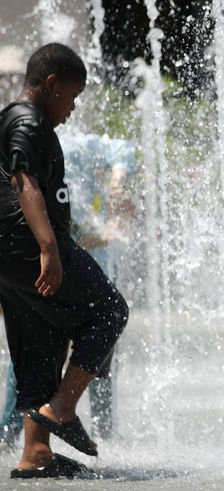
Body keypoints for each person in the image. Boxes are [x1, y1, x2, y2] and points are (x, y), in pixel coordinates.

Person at [0, 43, 128, 478]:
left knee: (42, 339)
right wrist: (50, 250)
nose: (73, 108)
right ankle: (62, 409)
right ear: (51, 84)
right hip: (34, 249)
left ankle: (35, 454)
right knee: (111, 311)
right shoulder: (26, 120)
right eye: (72, 97)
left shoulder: (18, 121)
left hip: (11, 257)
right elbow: (24, 181)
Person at [0, 132, 136, 444]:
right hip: (51, 270)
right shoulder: (21, 159)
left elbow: (121, 146)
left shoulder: (71, 145)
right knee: (36, 350)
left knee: (96, 348)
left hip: (84, 269)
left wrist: (117, 186)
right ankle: (12, 430)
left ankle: (102, 430)